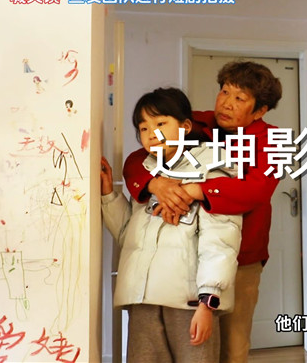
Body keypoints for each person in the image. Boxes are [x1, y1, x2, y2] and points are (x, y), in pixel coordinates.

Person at [122, 61, 282, 363]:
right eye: (224, 92)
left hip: (242, 256)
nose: (226, 103)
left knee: (232, 347)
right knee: (193, 348)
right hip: (187, 258)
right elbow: (136, 159)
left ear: (260, 111)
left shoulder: (271, 142)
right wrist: (155, 184)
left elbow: (256, 190)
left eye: (240, 98)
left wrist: (194, 190)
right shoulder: (196, 123)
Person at [100, 87, 242, 362]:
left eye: (161, 123)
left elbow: (220, 241)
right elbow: (128, 235)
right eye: (143, 128)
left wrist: (208, 301)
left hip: (189, 303)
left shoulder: (213, 166)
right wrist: (108, 196)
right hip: (143, 299)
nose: (151, 133)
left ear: (185, 126)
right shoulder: (147, 172)